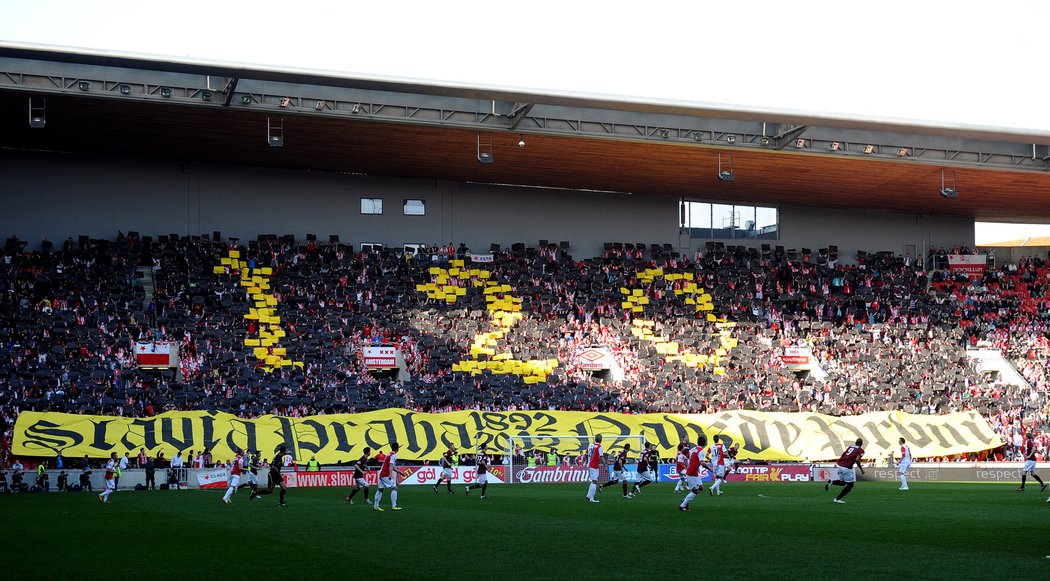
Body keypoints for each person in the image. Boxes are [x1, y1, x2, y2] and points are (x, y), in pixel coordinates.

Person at [825, 438, 865, 503]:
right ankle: (837, 499)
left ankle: (832, 482)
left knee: (843, 482)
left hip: (840, 465)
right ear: (861, 444)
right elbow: (857, 460)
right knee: (850, 485)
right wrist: (861, 469)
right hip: (847, 467)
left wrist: (842, 461)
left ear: (855, 442)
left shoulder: (850, 447)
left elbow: (844, 454)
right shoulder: (861, 450)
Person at [374, 442, 408, 511]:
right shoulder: (394, 455)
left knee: (380, 489)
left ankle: (376, 506)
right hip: (385, 474)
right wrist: (390, 475)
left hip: (381, 473)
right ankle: (394, 506)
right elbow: (390, 466)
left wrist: (400, 472)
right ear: (397, 448)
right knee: (394, 488)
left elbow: (392, 466)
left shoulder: (389, 454)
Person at [679, 444, 707, 512]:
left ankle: (685, 500)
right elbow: (702, 463)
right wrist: (709, 468)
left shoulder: (693, 449)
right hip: (691, 472)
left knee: (701, 488)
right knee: (694, 491)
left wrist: (688, 465)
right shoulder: (700, 450)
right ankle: (682, 506)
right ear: (704, 443)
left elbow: (687, 457)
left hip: (695, 472)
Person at [582, 435, 603, 503]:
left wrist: (584, 462)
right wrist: (605, 465)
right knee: (594, 481)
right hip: (594, 466)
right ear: (601, 440)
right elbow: (601, 457)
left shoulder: (590, 446)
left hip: (589, 465)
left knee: (593, 481)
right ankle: (592, 498)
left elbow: (585, 455)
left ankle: (588, 496)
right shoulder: (600, 447)